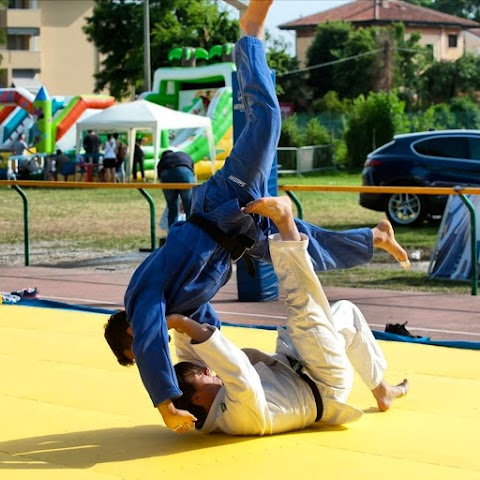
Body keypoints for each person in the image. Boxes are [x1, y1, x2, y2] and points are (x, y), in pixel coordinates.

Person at [103, 0, 410, 434]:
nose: (156, 356)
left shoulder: (143, 301)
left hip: (219, 210)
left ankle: (249, 32)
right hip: (238, 235)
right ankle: (374, 236)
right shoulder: (184, 306)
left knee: (265, 123)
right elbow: (209, 339)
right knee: (304, 250)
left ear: (130, 336)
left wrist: (166, 403)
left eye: (138, 355)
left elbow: (154, 342)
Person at [169, 196, 408, 435]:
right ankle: (285, 222)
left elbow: (191, 356)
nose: (209, 371)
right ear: (198, 398)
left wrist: (176, 310)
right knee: (304, 311)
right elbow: (238, 370)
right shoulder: (236, 418)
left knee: (346, 313)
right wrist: (181, 322)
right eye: (202, 375)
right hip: (324, 383)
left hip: (296, 364)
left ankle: (381, 389)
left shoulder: (209, 396)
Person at [157, 150, 196, 228]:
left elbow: (159, 177)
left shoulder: (163, 160)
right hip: (184, 171)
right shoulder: (184, 154)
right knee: (189, 206)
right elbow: (192, 173)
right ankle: (191, 234)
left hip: (166, 173)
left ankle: (172, 234)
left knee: (172, 207)